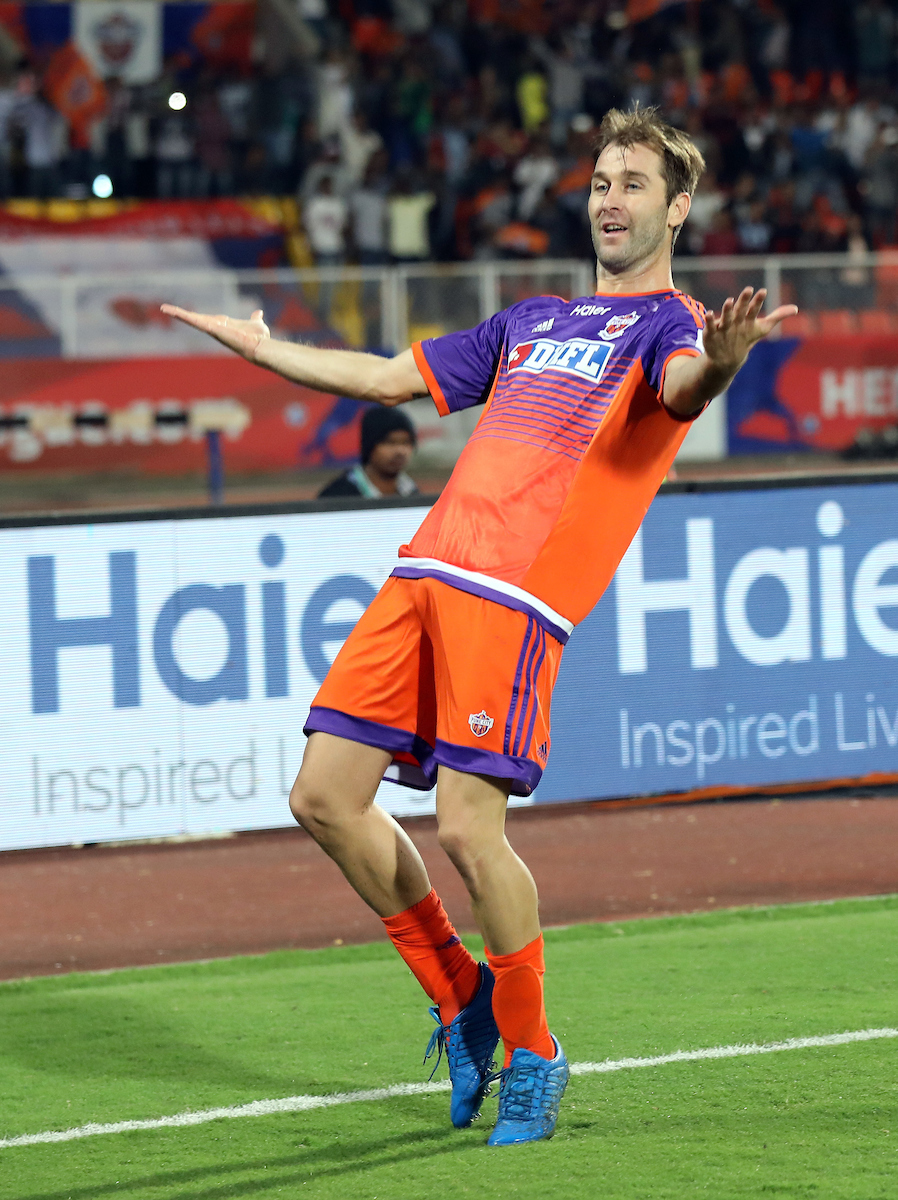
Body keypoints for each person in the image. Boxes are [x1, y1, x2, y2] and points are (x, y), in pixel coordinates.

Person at [162, 105, 796, 1148]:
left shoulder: (668, 325)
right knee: (321, 797)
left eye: (634, 183)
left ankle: (534, 1054)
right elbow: (380, 379)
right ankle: (461, 996)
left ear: (676, 207)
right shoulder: (529, 321)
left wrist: (723, 362)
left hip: (515, 597)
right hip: (424, 569)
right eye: (600, 179)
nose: (610, 197)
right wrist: (265, 351)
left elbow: (683, 390)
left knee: (465, 829)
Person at [318, 406, 419, 498]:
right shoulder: (337, 496)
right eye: (389, 442)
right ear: (369, 445)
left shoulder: (412, 492)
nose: (400, 451)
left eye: (406, 442)